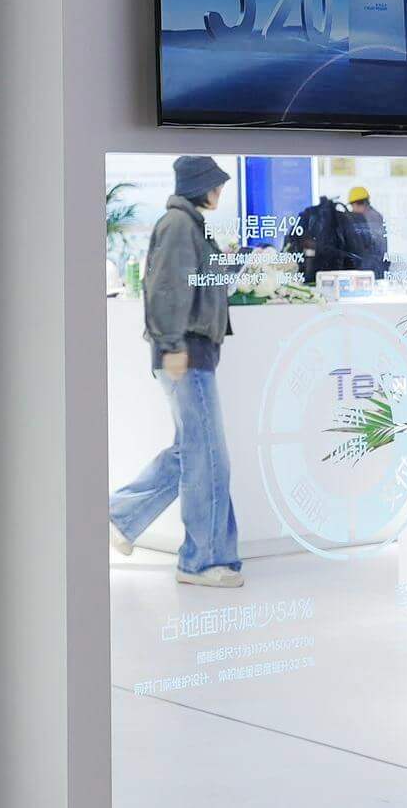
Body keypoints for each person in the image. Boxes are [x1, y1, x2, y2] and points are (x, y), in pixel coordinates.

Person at [108, 156, 243, 587]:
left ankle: (119, 516)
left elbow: (198, 281)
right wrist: (171, 346)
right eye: (216, 185)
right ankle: (201, 561)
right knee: (208, 458)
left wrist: (233, 262)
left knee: (193, 452)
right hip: (187, 354)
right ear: (200, 185)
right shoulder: (180, 225)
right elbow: (167, 288)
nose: (220, 191)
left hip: (192, 353)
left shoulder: (189, 225)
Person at [338, 185, 391, 277]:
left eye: (352, 206)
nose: (352, 210)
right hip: (374, 264)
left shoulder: (369, 218)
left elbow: (367, 244)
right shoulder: (375, 215)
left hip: (372, 266)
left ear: (358, 204)